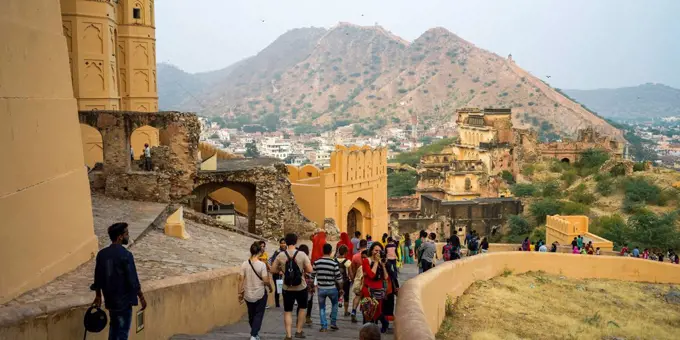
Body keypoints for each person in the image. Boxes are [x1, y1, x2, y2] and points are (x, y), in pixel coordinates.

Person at [91, 223, 147, 340]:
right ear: (120, 237)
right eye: (126, 233)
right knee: (122, 333)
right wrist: (141, 297)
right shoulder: (126, 255)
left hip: (110, 301)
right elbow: (133, 280)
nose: (128, 236)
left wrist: (98, 296)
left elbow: (98, 277)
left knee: (113, 330)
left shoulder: (102, 254)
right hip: (123, 302)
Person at [271, 233, 314, 340]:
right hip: (301, 286)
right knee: (303, 308)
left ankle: (288, 335)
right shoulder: (302, 254)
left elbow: (272, 270)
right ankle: (299, 331)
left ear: (285, 241)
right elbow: (310, 270)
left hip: (287, 287)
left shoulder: (281, 255)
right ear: (296, 241)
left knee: (288, 311)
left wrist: (282, 270)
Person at [239, 242, 272, 340]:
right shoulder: (261, 265)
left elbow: (240, 279)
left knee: (251, 313)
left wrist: (239, 293)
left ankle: (254, 332)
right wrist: (270, 287)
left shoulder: (244, 264)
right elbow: (265, 281)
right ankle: (253, 335)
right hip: (260, 293)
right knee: (259, 314)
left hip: (248, 294)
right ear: (259, 252)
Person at [313, 243, 343, 332]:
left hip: (321, 289)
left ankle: (324, 326)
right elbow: (339, 278)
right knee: (335, 305)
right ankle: (333, 323)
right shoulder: (334, 263)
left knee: (322, 307)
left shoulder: (317, 262)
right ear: (330, 252)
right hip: (332, 288)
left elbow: (312, 277)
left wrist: (311, 287)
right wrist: (341, 289)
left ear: (323, 251)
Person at [362, 243, 389, 333]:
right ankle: (367, 332)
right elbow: (371, 275)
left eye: (379, 251)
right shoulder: (366, 261)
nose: (377, 252)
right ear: (371, 250)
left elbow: (385, 277)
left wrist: (383, 265)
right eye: (375, 250)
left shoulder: (381, 261)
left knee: (377, 312)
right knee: (367, 312)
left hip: (378, 290)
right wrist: (376, 262)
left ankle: (376, 330)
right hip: (368, 290)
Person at [349, 239, 368, 323]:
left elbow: (352, 269)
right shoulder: (369, 255)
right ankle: (366, 314)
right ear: (366, 245)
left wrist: (353, 279)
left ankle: (353, 311)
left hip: (358, 279)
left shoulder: (355, 256)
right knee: (366, 298)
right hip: (367, 279)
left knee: (357, 296)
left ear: (359, 246)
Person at [296, 244, 314, 326]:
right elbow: (310, 271)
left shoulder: (296, 259)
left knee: (300, 302)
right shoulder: (307, 259)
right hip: (308, 283)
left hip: (299, 282)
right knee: (309, 301)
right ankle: (308, 317)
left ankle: (298, 318)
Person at [269, 238, 287, 308]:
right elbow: (273, 262)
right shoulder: (277, 252)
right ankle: (277, 304)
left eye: (284, 243)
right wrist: (279, 270)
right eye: (281, 243)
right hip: (277, 273)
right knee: (278, 288)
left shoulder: (288, 252)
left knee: (285, 288)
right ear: (279, 244)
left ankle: (286, 303)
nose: (283, 244)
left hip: (286, 273)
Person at [336, 245, 352, 317]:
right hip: (345, 281)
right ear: (346, 253)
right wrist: (353, 279)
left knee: (336, 296)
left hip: (336, 281)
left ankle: (334, 310)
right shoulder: (347, 261)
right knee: (346, 296)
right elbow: (350, 272)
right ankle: (346, 311)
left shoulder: (334, 260)